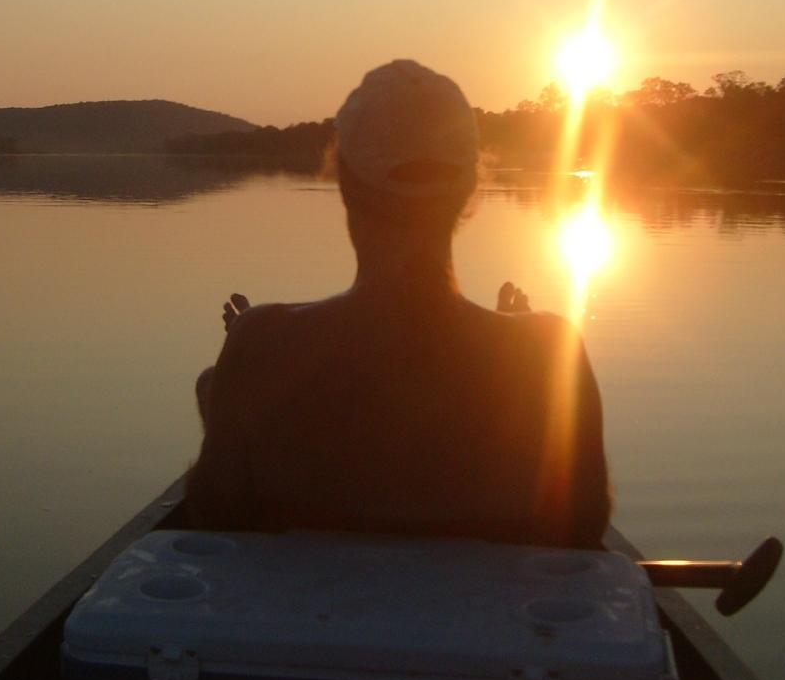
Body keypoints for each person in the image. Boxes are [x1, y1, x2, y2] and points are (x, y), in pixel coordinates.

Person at [186, 60, 610, 547]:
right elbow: (583, 535)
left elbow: (212, 524)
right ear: (469, 187)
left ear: (344, 181)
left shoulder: (260, 345)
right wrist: (515, 336)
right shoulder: (548, 354)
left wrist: (224, 395)